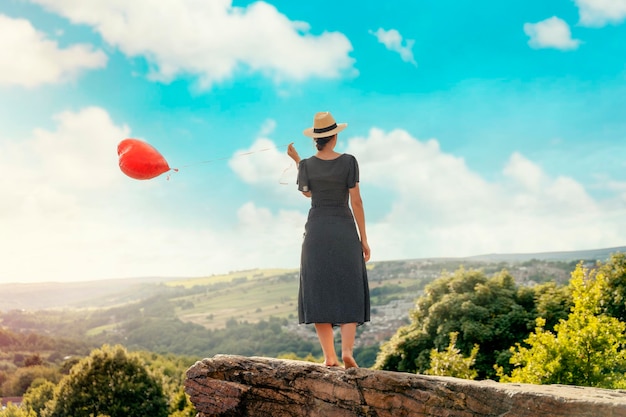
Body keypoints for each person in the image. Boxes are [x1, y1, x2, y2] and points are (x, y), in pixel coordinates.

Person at [287, 111, 371, 369]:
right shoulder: (349, 161)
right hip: (344, 229)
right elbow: (356, 201)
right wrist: (364, 239)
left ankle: (329, 357)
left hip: (317, 231)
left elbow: (308, 193)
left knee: (318, 289)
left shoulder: (307, 165)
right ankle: (347, 351)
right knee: (349, 287)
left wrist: (297, 161)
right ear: (334, 137)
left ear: (317, 139)